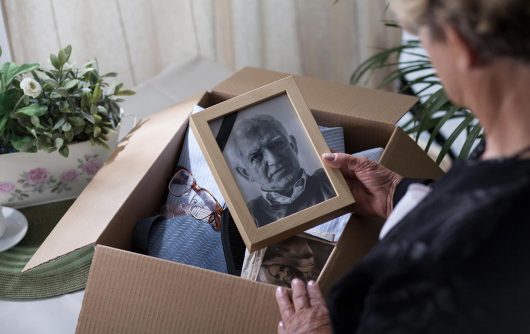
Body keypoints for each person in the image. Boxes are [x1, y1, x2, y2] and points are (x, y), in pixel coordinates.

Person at [274, 0, 530, 333]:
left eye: (421, 36)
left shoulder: (435, 272)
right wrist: (401, 194)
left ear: (458, 45)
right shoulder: (508, 151)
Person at [227, 114, 335, 227]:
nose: (274, 160)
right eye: (256, 156)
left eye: (277, 144)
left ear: (293, 146)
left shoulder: (330, 180)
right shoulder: (249, 217)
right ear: (245, 173)